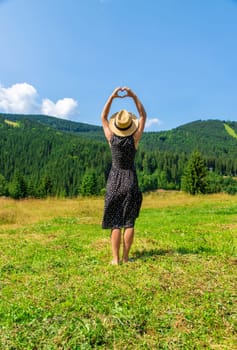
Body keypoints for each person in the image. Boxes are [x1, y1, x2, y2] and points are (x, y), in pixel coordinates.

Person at [101, 86, 147, 265]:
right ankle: (126, 258)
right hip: (130, 180)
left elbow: (103, 117)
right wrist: (133, 95)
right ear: (129, 126)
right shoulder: (134, 138)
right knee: (129, 222)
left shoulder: (111, 138)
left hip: (114, 180)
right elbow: (143, 115)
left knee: (115, 222)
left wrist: (112, 96)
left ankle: (115, 259)